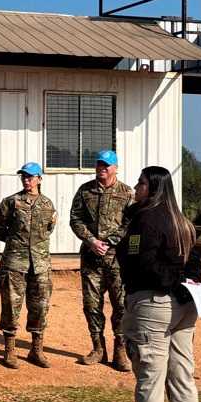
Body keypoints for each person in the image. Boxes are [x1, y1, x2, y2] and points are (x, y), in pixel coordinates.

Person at [110, 165, 201, 402]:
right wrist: (181, 285)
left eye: (140, 184)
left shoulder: (145, 220)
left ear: (152, 188)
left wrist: (168, 283)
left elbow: (142, 265)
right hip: (184, 307)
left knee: (150, 378)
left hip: (154, 305)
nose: (135, 189)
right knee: (182, 377)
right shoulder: (182, 222)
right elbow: (195, 265)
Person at [69, 149, 134, 371]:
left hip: (117, 260)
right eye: (99, 165)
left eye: (106, 165)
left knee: (121, 306)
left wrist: (112, 241)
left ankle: (120, 350)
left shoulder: (127, 193)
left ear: (115, 167)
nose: (102, 169)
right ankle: (98, 348)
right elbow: (75, 219)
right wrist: (91, 241)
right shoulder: (85, 191)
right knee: (91, 305)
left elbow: (130, 222)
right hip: (91, 259)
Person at [0, 162, 56, 368]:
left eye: (30, 177)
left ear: (39, 179)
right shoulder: (11, 202)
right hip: (15, 263)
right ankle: (9, 350)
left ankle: (36, 350)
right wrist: (16, 244)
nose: (26, 180)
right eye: (24, 177)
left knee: (40, 307)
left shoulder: (47, 205)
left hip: (40, 264)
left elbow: (48, 229)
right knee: (11, 305)